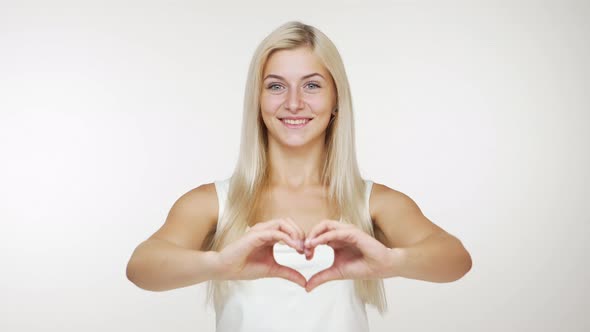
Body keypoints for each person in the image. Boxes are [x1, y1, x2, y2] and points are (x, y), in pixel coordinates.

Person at [126, 20, 472, 332]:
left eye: (311, 86)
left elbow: (455, 260)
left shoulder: (375, 202)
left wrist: (393, 261)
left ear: (336, 99)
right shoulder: (213, 203)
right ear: (258, 100)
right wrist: (217, 264)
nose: (293, 103)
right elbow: (141, 268)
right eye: (276, 87)